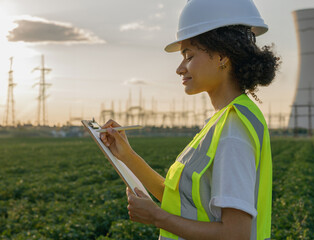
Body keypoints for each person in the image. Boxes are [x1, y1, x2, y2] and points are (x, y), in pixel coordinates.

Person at [100, 0, 279, 239]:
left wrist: (156, 217)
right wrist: (126, 155)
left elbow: (236, 234)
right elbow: (179, 199)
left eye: (189, 55)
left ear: (222, 56)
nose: (180, 68)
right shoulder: (221, 122)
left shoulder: (233, 131)